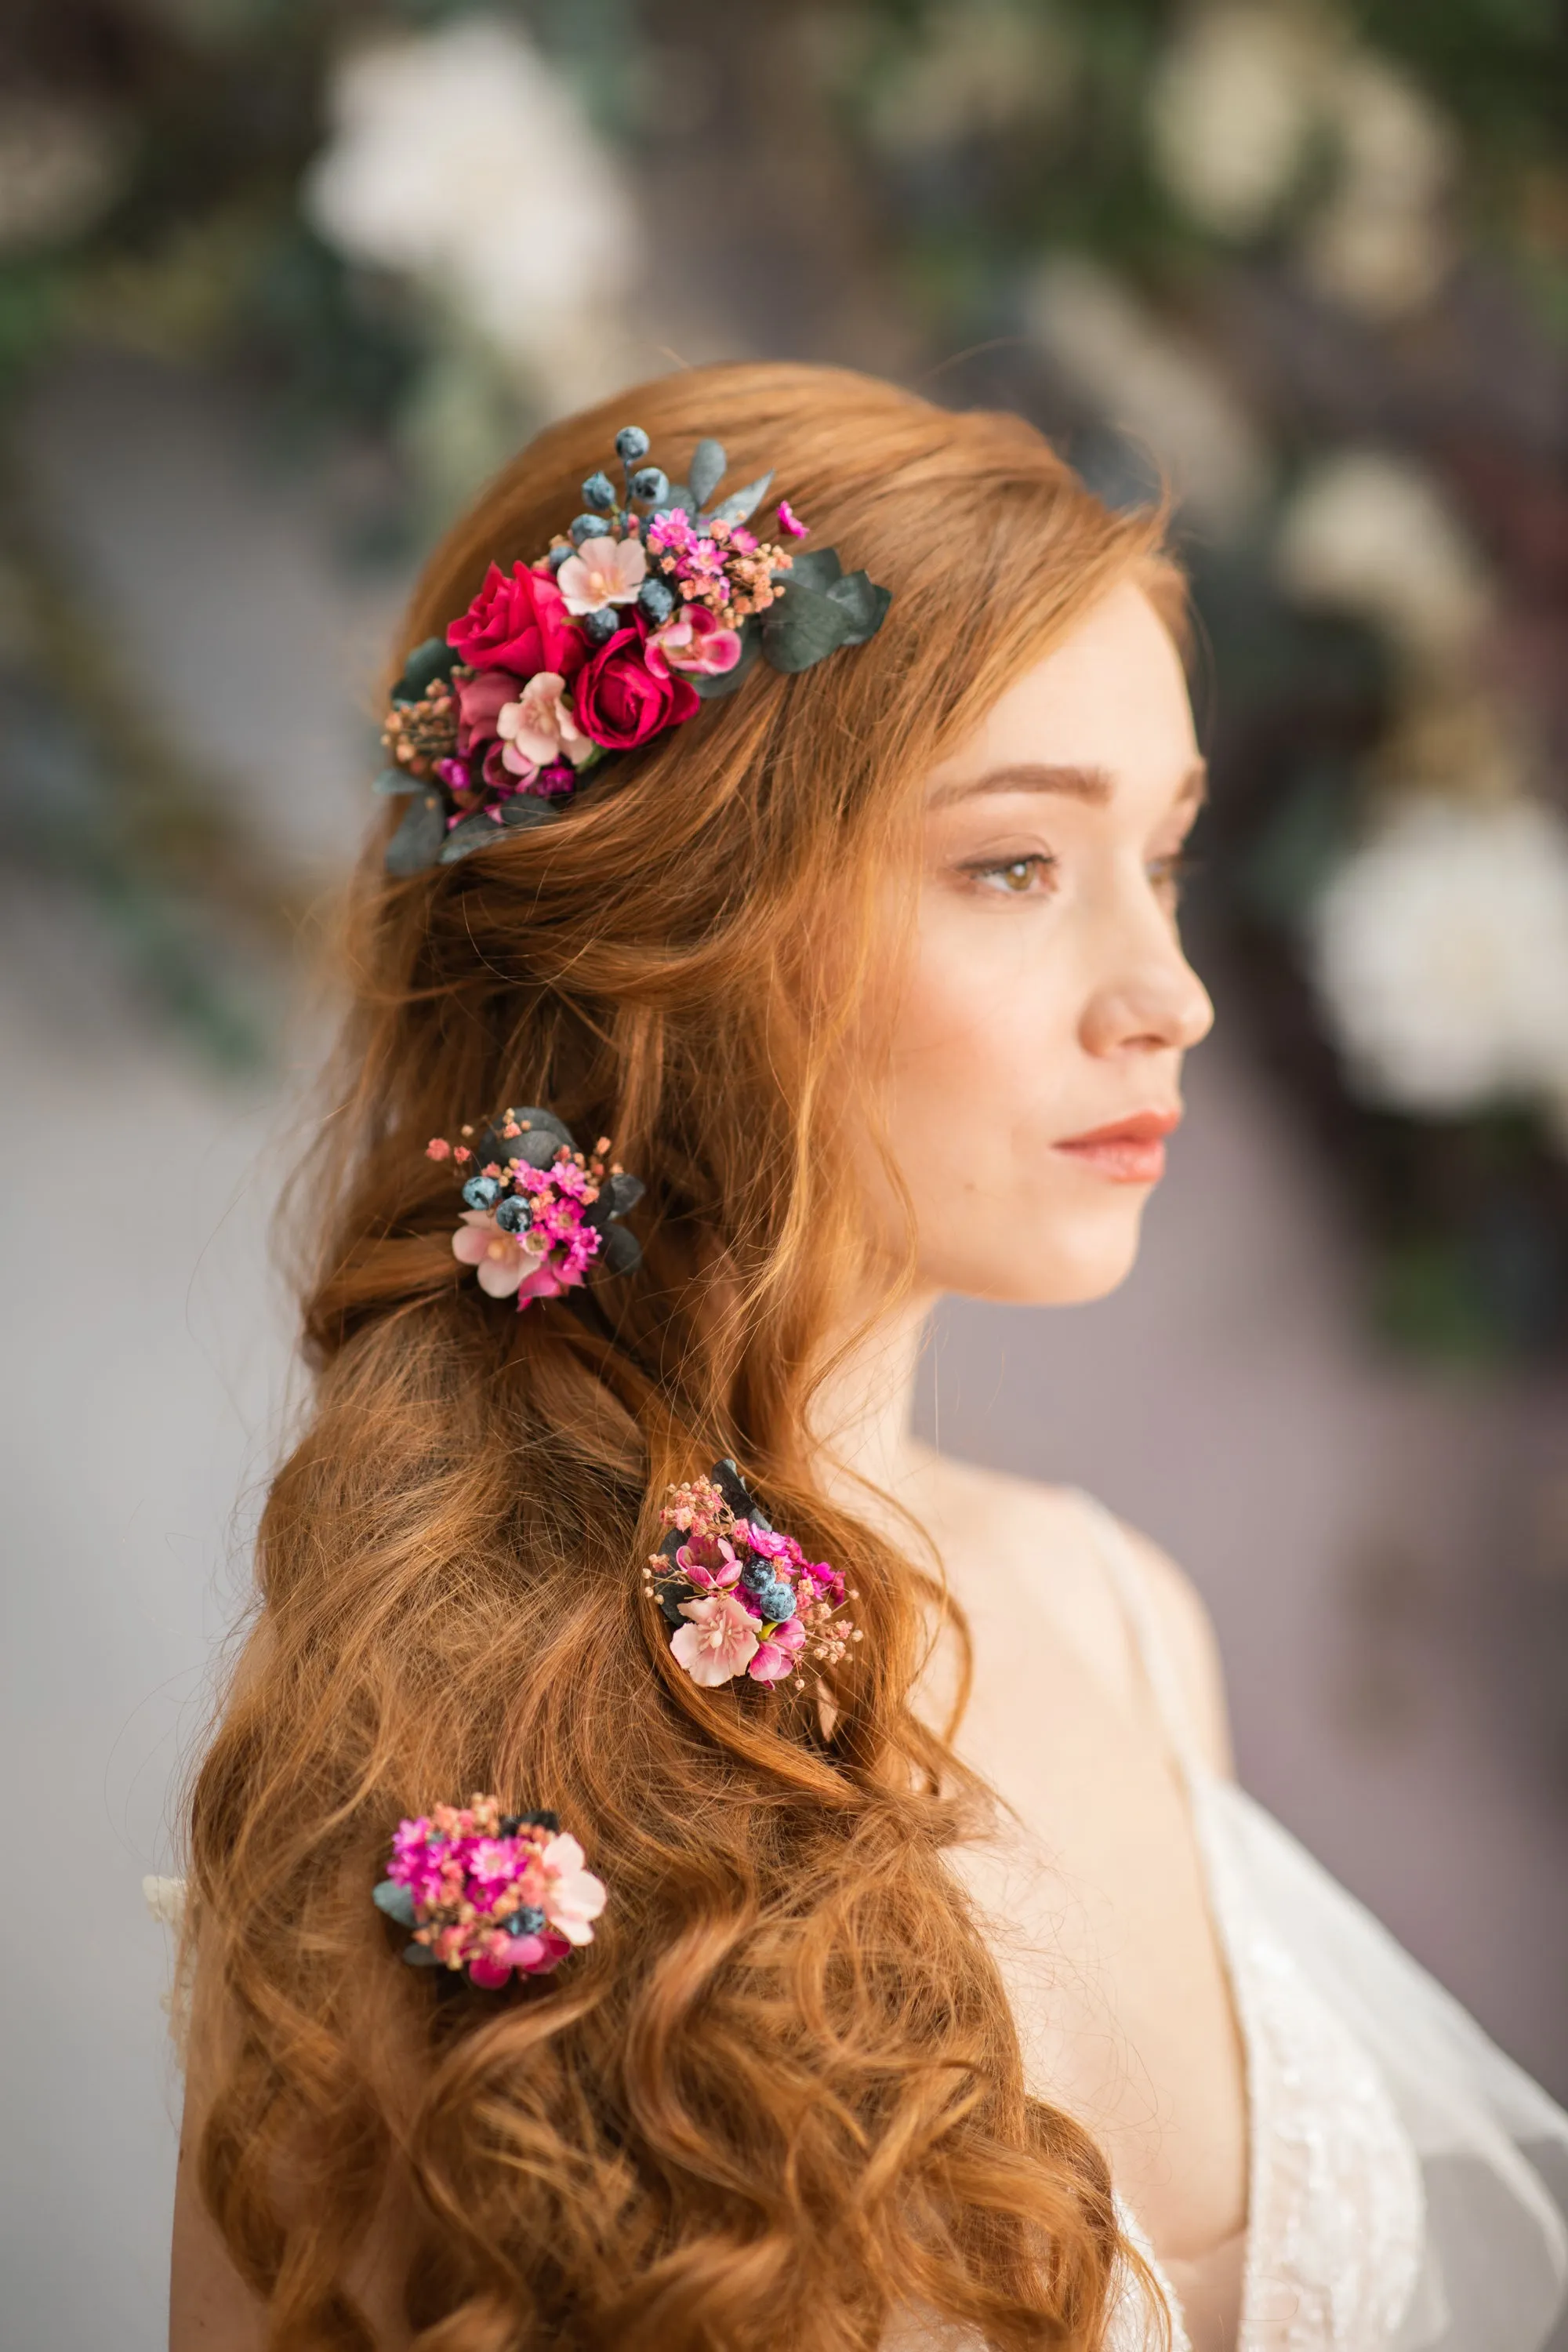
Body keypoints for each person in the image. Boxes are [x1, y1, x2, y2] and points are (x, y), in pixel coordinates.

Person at [169, 363, 1568, 2352]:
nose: (1163, 995)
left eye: (1159, 861)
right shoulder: (433, 1803)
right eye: (1013, 864)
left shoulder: (1117, 1615)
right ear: (691, 922)